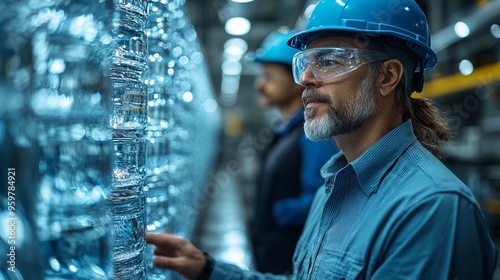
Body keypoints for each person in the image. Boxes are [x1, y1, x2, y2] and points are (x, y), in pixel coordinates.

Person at [146, 0, 497, 279]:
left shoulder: (431, 209)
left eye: (329, 61)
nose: (307, 79)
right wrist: (209, 269)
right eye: (306, 63)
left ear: (388, 76)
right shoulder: (334, 186)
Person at [248, 27, 337, 274]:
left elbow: (324, 197)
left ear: (299, 80)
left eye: (270, 77)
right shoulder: (285, 131)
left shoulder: (313, 135)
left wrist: (279, 212)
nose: (259, 84)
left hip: (291, 264)